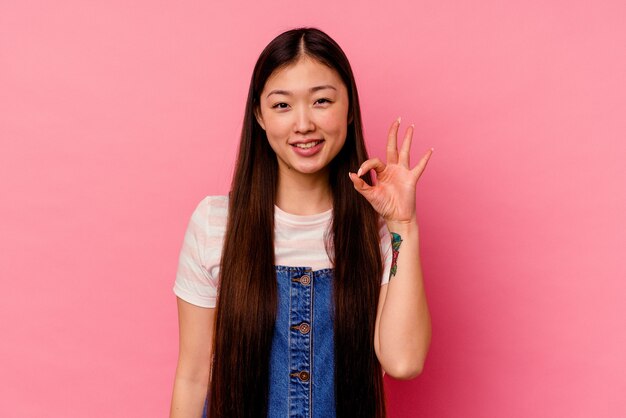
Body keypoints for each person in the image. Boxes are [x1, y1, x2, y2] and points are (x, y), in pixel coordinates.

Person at [170, 27, 432, 418]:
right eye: (282, 106)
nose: (304, 124)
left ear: (349, 108)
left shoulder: (378, 228)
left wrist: (403, 225)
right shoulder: (215, 223)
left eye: (322, 100)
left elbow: (403, 362)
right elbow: (193, 376)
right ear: (259, 115)